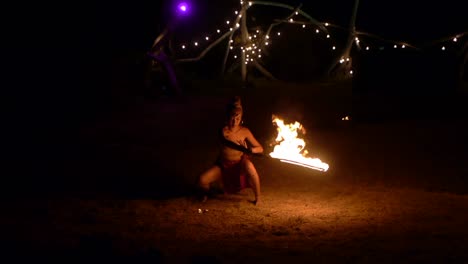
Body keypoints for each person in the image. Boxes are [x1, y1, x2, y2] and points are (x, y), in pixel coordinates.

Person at [198, 96, 263, 205]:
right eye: (232, 118)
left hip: (239, 165)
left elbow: (260, 148)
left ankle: (258, 198)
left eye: (237, 118)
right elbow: (225, 141)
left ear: (241, 118)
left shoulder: (245, 131)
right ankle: (205, 195)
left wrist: (250, 149)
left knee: (250, 167)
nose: (234, 121)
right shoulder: (223, 131)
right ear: (227, 117)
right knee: (202, 180)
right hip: (223, 165)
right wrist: (241, 147)